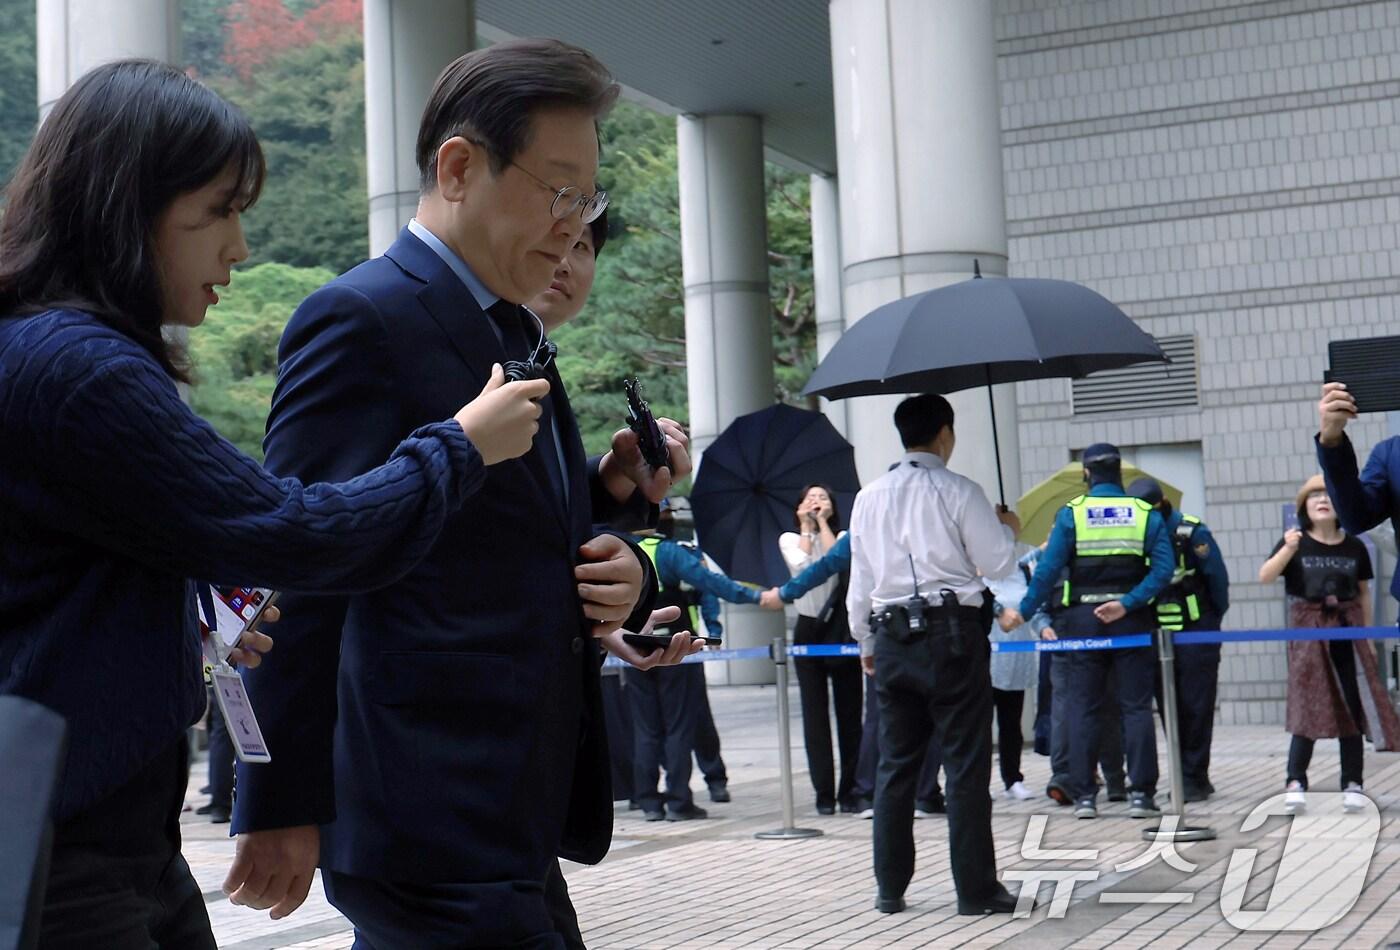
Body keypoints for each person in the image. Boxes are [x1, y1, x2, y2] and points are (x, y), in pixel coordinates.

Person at [0, 59, 548, 950]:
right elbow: (290, 532)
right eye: (218, 211)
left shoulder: (51, 350)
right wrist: (457, 447)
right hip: (67, 855)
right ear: (123, 204)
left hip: (111, 836)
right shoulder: (79, 368)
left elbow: (56, 591)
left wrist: (180, 617)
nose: (238, 246)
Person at [226, 40, 697, 949]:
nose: (573, 225)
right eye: (559, 193)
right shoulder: (359, 318)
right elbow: (296, 565)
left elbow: (488, 534)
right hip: (422, 804)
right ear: (457, 167)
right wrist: (278, 798)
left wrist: (612, 516)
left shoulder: (513, 323)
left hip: (509, 800)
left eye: (587, 199)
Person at [847, 394, 1023, 916]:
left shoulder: (868, 497)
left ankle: (890, 888)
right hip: (953, 634)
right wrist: (1007, 527)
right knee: (965, 765)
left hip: (892, 636)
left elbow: (862, 579)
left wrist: (866, 641)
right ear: (944, 433)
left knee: (895, 766)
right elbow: (995, 563)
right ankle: (975, 891)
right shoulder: (961, 490)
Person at [1001, 443, 1174, 821]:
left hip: (1081, 620)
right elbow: (1163, 571)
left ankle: (1084, 797)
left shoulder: (1071, 515)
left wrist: (1024, 612)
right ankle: (1142, 795)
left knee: (1083, 708)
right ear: (1121, 474)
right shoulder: (1146, 514)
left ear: (1085, 475)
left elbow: (1047, 571)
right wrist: (1128, 603)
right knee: (1135, 708)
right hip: (1129, 621)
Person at [761, 533, 943, 820]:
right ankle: (882, 792)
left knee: (878, 716)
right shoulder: (937, 506)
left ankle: (905, 793)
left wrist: (863, 637)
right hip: (927, 620)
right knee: (893, 716)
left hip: (887, 624)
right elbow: (826, 565)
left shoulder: (868, 513)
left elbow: (841, 568)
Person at [1258, 475, 1399, 812]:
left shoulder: (1354, 545)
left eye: (1328, 494)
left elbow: (1363, 592)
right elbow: (1265, 576)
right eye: (1314, 495)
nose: (1322, 500)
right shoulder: (1294, 541)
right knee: (1308, 704)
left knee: (1352, 706)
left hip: (1347, 630)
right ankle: (1295, 782)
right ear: (1304, 506)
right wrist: (1288, 549)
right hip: (1309, 630)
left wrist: (1364, 634)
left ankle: (1353, 783)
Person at [629, 510, 760, 820]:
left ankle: (647, 801)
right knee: (678, 726)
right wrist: (756, 597)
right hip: (675, 650)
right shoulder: (671, 552)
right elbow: (710, 584)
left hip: (632, 647)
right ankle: (678, 801)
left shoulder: (624, 550)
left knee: (645, 728)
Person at [1128, 477, 1230, 801]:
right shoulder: (1135, 535)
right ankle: (1184, 774)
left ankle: (1194, 776)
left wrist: (1211, 624)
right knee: (1168, 705)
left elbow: (1218, 581)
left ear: (1162, 504)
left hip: (1195, 629)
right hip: (1156, 632)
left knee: (1197, 705)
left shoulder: (1189, 531)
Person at [778, 485, 863, 815]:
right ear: (798, 505)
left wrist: (823, 524)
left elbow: (837, 562)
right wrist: (806, 528)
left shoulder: (842, 536)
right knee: (815, 717)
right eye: (809, 498)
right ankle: (823, 794)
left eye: (823, 497)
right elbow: (801, 568)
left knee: (849, 713)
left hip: (841, 628)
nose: (816, 502)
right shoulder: (788, 538)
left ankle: (851, 790)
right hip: (808, 627)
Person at [984, 549, 1041, 801]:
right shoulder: (978, 567)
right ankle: (979, 780)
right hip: (985, 654)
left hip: (1017, 654)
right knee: (979, 724)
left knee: (1011, 721)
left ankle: (1012, 778)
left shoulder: (1023, 568)